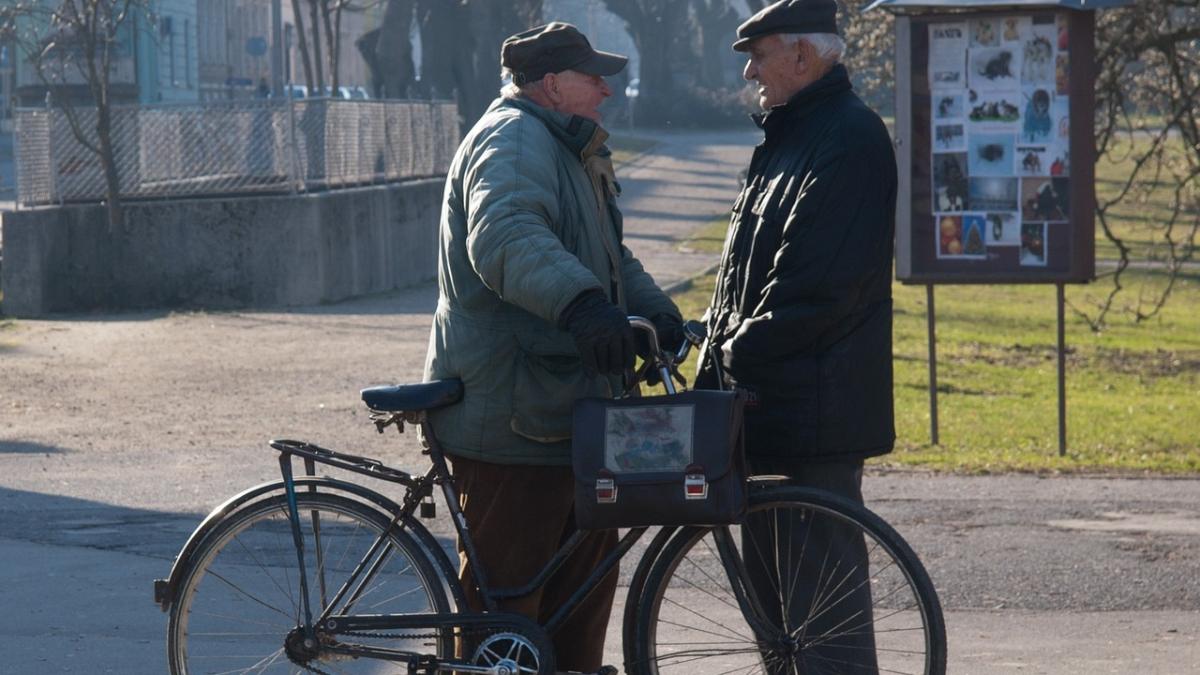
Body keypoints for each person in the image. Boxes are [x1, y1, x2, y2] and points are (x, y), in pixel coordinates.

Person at [422, 21, 682, 672]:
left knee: (582, 595)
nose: (606, 90)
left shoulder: (570, 147)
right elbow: (506, 236)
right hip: (514, 418)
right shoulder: (512, 141)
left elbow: (608, 253)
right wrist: (583, 306)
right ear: (551, 85)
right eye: (593, 77)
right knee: (507, 608)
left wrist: (655, 313)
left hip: (568, 412)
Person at [698, 0, 897, 672]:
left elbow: (816, 287)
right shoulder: (788, 138)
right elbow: (742, 277)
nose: (751, 70)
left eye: (759, 54)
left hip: (815, 418)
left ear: (803, 57)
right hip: (770, 414)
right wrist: (710, 342)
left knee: (823, 631)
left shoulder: (849, 138)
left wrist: (730, 352)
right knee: (780, 629)